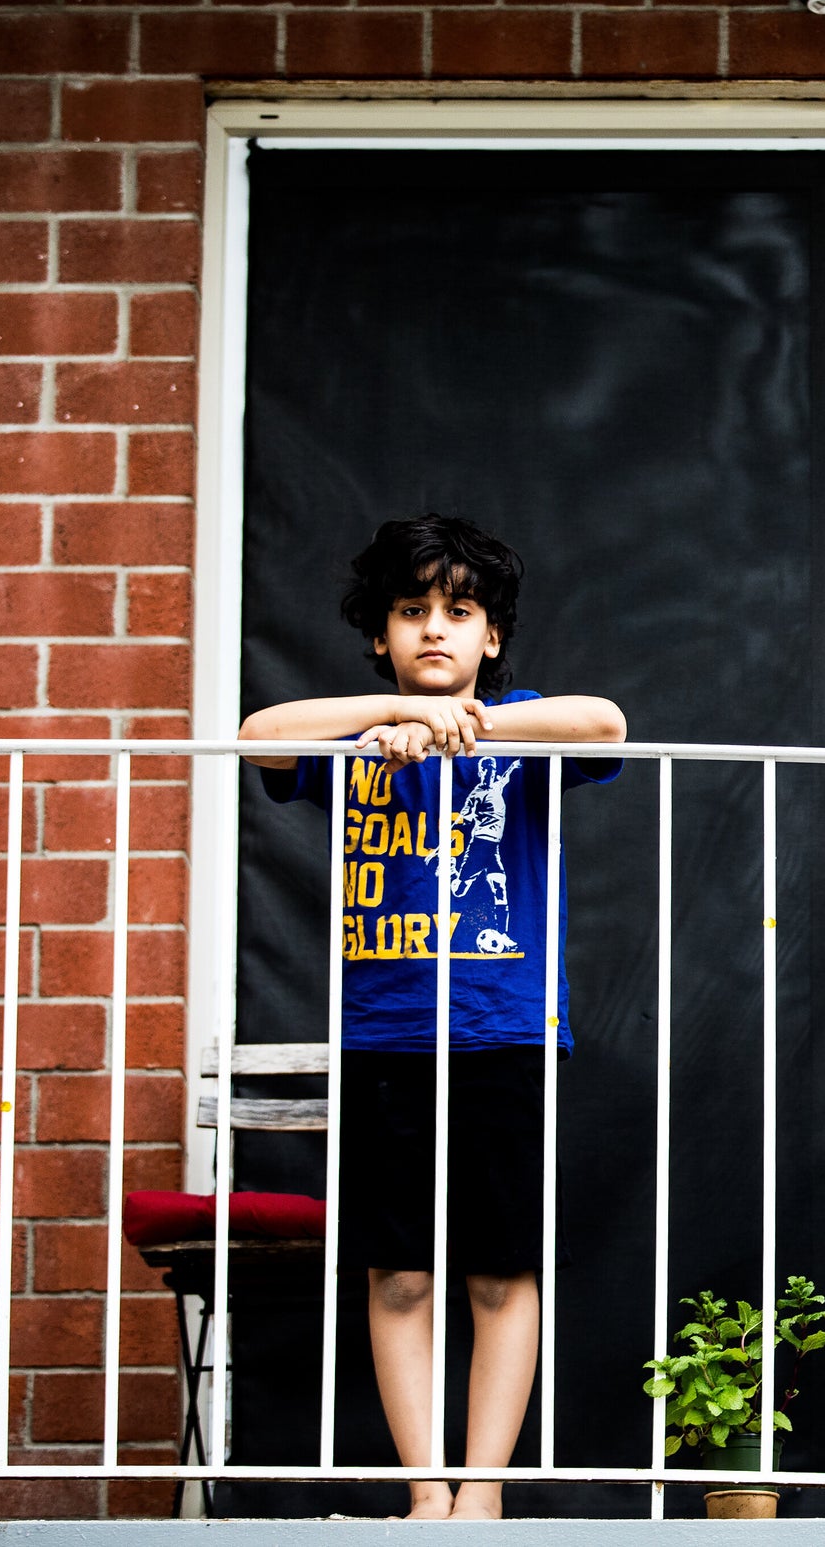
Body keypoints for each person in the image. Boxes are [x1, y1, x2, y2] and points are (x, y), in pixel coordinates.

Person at [241, 514, 627, 1520]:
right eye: (410, 613)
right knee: (401, 1275)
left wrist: (472, 721)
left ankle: (483, 1492)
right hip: (385, 1040)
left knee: (502, 1273)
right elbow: (256, 738)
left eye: (459, 612)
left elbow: (607, 726)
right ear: (380, 636)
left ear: (491, 637)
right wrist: (390, 718)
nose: (434, 631)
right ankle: (425, 1491)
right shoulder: (348, 738)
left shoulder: (524, 719)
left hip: (506, 1033)